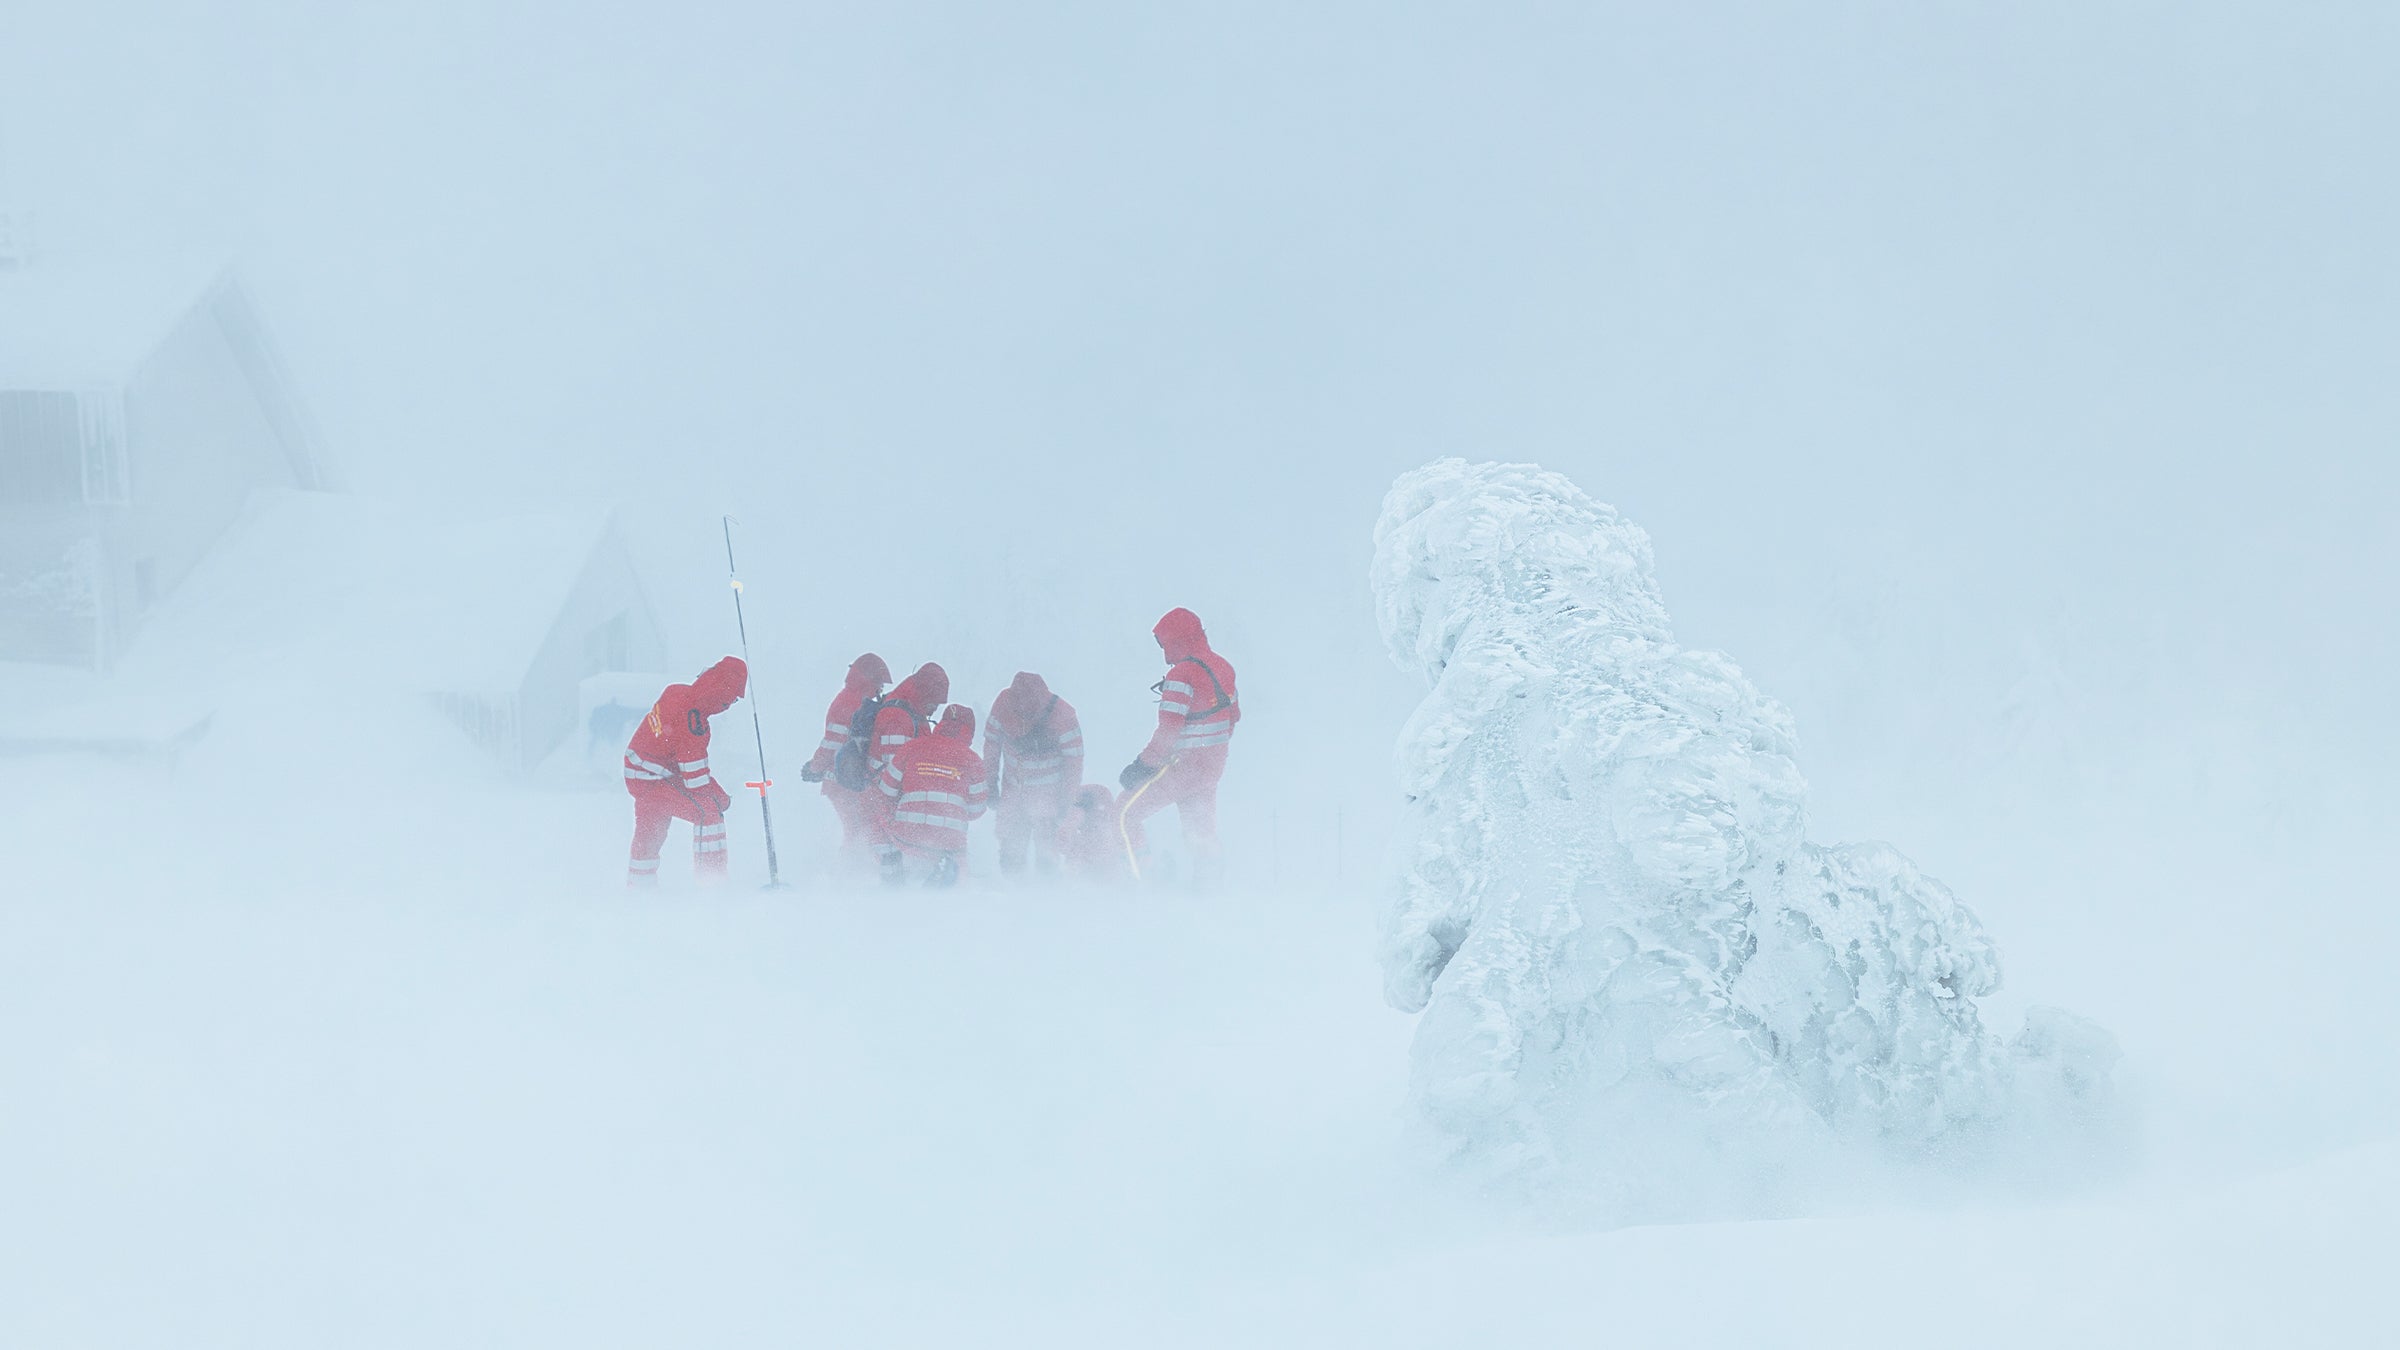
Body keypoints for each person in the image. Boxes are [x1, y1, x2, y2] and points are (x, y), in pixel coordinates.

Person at [1117, 608, 1239, 883]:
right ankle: (1209, 885)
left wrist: (1142, 767)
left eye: (1164, 644)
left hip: (1184, 767)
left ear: (1178, 640)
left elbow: (1169, 731)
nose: (1163, 654)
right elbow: (1233, 717)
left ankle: (1139, 881)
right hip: (1212, 767)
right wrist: (1211, 752)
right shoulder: (1223, 668)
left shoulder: (1181, 676)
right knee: (1199, 830)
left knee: (1123, 814)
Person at [623, 656, 747, 887]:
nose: (728, 706)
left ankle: (639, 888)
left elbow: (675, 757)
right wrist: (721, 798)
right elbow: (696, 782)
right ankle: (712, 883)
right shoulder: (694, 723)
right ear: (722, 694)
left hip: (639, 771)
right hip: (652, 778)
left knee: (651, 829)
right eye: (730, 700)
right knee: (708, 812)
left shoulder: (676, 692)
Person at [982, 671, 1085, 878]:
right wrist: (989, 785)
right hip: (1013, 794)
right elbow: (991, 744)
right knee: (1011, 851)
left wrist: (1067, 800)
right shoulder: (1003, 703)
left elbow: (1074, 762)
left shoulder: (1063, 716)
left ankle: (1045, 898)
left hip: (1048, 799)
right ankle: (1012, 893)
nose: (1021, 713)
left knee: (1047, 856)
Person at [872, 703, 988, 886]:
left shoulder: (911, 747)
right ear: (969, 732)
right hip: (949, 845)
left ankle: (892, 888)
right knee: (949, 889)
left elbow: (886, 790)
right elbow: (978, 809)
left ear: (941, 724)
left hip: (906, 838)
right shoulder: (973, 760)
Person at [799, 653, 891, 855]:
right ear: (870, 679)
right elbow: (833, 743)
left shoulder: (853, 700)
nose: (881, 690)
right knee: (857, 831)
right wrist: (815, 767)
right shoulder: (850, 702)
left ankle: (852, 870)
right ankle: (847, 875)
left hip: (848, 779)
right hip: (843, 781)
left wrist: (815, 767)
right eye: (880, 684)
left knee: (859, 830)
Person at [1056, 784, 1139, 883]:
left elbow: (1063, 842)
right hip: (1100, 868)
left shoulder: (1103, 825)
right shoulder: (1111, 822)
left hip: (1093, 868)